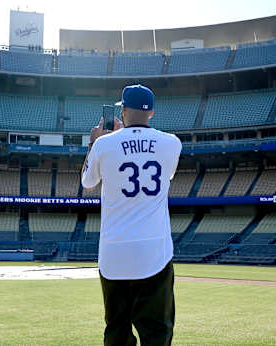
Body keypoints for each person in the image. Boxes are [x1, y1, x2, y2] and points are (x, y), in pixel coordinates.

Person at [81, 84, 182, 346]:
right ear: (151, 113)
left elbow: (88, 182)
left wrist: (94, 142)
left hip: (114, 252)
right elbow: (165, 175)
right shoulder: (172, 143)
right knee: (157, 331)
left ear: (123, 110)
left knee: (117, 329)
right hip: (154, 252)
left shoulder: (103, 143)